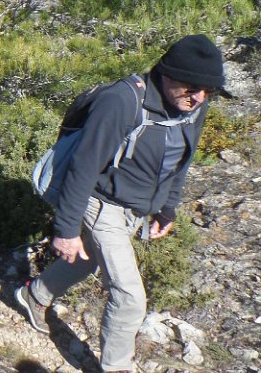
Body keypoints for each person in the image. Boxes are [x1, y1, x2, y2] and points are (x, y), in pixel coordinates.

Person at [15, 34, 224, 373]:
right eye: (192, 88)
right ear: (167, 74)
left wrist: (167, 207)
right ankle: (116, 367)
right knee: (130, 298)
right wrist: (66, 229)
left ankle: (34, 295)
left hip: (135, 207)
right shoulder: (122, 101)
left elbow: (181, 161)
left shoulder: (193, 107)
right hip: (101, 202)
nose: (199, 97)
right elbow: (84, 166)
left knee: (86, 259)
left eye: (208, 91)